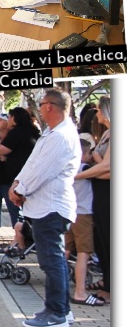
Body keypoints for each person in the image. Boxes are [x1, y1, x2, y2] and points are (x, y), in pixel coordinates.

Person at [9, 88, 81, 327]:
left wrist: (21, 190)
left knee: (51, 261)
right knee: (52, 260)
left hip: (51, 207)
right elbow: (32, 164)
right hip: (42, 205)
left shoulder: (61, 136)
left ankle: (56, 313)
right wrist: (17, 184)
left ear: (50, 106)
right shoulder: (53, 133)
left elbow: (43, 171)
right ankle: (62, 310)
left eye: (41, 104)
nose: (38, 108)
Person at [74, 95, 111, 304]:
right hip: (98, 192)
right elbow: (101, 164)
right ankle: (107, 281)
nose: (95, 113)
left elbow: (108, 168)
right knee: (101, 241)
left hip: (108, 194)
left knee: (108, 239)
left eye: (98, 110)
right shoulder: (106, 134)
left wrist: (78, 175)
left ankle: (110, 286)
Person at [0, 107, 40, 246]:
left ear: (15, 118)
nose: (7, 119)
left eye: (9, 117)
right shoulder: (32, 131)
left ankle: (20, 241)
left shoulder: (18, 132)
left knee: (17, 209)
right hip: (26, 175)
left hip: (19, 178)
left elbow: (0, 148)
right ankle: (22, 240)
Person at [66, 139, 103, 306]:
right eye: (89, 153)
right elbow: (106, 169)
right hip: (84, 215)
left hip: (70, 214)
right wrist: (98, 157)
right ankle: (80, 292)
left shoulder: (68, 168)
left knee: (66, 251)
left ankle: (59, 285)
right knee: (83, 253)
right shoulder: (85, 169)